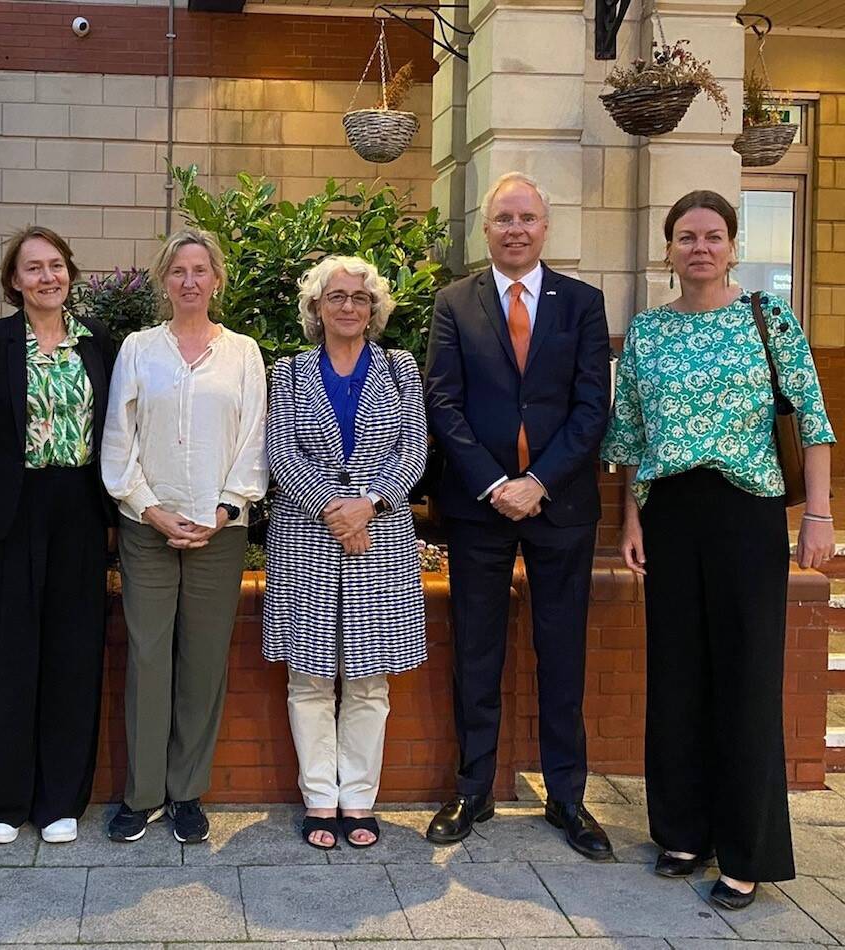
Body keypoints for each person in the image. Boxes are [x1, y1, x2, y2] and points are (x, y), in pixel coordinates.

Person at [602, 189, 835, 910]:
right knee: (676, 673)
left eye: (712, 236)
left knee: (745, 676)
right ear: (668, 250)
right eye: (685, 237)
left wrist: (819, 515)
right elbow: (632, 438)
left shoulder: (770, 320)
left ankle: (747, 851)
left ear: (732, 246)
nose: (699, 247)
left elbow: (815, 423)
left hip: (746, 512)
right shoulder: (646, 333)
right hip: (670, 512)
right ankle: (682, 831)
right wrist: (631, 520)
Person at [423, 171, 613, 860]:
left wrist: (537, 481)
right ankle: (472, 788)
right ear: (485, 228)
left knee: (561, 650)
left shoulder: (583, 304)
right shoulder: (454, 302)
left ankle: (567, 794)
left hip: (560, 506)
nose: (514, 229)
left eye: (526, 218)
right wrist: (498, 482)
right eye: (503, 218)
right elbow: (442, 401)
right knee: (477, 647)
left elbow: (593, 407)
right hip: (480, 506)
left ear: (545, 227)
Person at [101, 228, 268, 844]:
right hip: (147, 526)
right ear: (164, 282)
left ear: (216, 280)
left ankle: (186, 791)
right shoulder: (139, 349)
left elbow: (256, 436)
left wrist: (225, 509)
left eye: (200, 270)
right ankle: (142, 794)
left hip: (220, 530)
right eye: (178, 271)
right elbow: (119, 437)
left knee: (202, 661)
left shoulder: (244, 353)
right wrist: (148, 508)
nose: (190, 281)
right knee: (147, 656)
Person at [0, 227, 116, 846]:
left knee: (74, 656)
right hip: (9, 512)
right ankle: (2, 800)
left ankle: (59, 801)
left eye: (56, 265)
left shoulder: (97, 342)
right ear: (14, 281)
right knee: (10, 655)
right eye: (33, 268)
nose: (47, 277)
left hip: (79, 505)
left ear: (69, 273)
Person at [263, 256, 427, 849]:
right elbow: (279, 453)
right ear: (316, 307)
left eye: (360, 298)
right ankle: (319, 802)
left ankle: (358, 799)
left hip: (381, 539)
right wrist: (335, 509)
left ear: (375, 308)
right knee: (308, 679)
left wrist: (370, 504)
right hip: (307, 535)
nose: (349, 307)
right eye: (336, 297)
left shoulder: (402, 368)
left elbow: (415, 449)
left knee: (368, 682)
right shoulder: (287, 371)